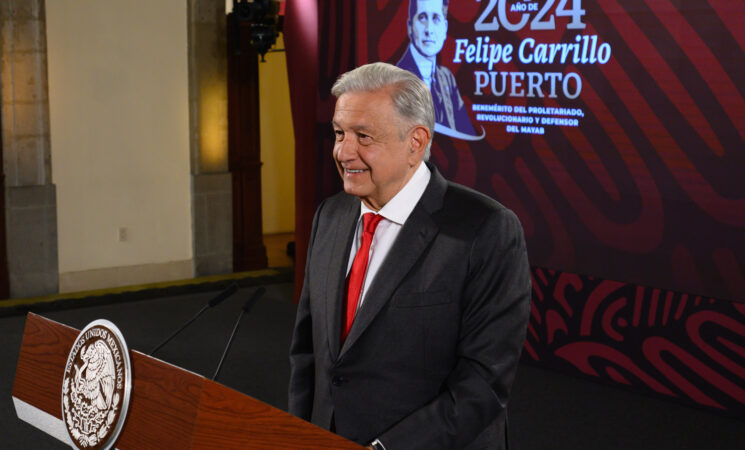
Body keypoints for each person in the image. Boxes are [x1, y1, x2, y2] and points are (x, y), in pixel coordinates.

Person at [288, 62, 530, 450]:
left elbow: (483, 383)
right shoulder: (329, 216)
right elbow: (307, 356)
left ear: (415, 142)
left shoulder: (485, 230)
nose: (343, 152)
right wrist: (297, 438)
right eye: (339, 133)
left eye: (363, 136)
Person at [396, 0, 476, 136]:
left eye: (436, 19)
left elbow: (466, 135)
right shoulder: (396, 79)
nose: (429, 30)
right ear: (410, 27)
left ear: (444, 28)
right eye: (422, 18)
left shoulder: (447, 78)